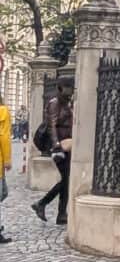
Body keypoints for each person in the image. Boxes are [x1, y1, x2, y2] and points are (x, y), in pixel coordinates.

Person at [31, 75, 74, 226]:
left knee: (67, 180)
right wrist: (56, 146)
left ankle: (61, 214)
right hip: (58, 146)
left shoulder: (67, 103)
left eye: (70, 87)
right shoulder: (54, 103)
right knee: (67, 180)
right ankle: (42, 204)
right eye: (66, 88)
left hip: (68, 144)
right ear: (60, 88)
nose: (69, 91)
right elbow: (51, 126)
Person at [0, 94, 11, 244]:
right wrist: (7, 159)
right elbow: (3, 136)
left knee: (3, 192)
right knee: (2, 193)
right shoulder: (3, 111)